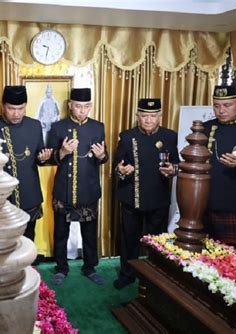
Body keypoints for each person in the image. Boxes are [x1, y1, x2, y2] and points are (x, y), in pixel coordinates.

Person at [113, 98, 179, 289]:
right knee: (129, 239)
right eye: (144, 116)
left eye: (152, 116)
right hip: (131, 197)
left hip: (158, 198)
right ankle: (127, 274)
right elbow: (118, 166)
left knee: (157, 241)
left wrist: (172, 170)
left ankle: (156, 274)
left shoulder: (169, 136)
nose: (148, 120)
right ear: (137, 116)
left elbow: (176, 164)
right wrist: (121, 171)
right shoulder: (127, 136)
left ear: (160, 116)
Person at [48, 88, 108, 286]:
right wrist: (63, 151)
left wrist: (101, 156)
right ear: (70, 105)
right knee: (60, 233)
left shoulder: (98, 127)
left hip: (88, 189)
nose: (82, 111)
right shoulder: (57, 128)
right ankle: (61, 268)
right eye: (78, 106)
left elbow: (103, 157)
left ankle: (90, 267)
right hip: (63, 190)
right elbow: (51, 159)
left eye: (86, 107)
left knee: (89, 234)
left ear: (90, 106)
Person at [0, 85, 52, 242]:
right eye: (12, 109)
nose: (17, 114)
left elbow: (39, 156)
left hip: (29, 193)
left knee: (29, 238)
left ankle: (29, 267)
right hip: (1, 196)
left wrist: (43, 158)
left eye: (21, 108)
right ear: (3, 106)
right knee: (2, 241)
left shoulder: (34, 125)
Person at [203, 85, 236, 253]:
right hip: (208, 203)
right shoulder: (205, 128)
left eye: (227, 105)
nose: (221, 110)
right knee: (208, 258)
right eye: (216, 105)